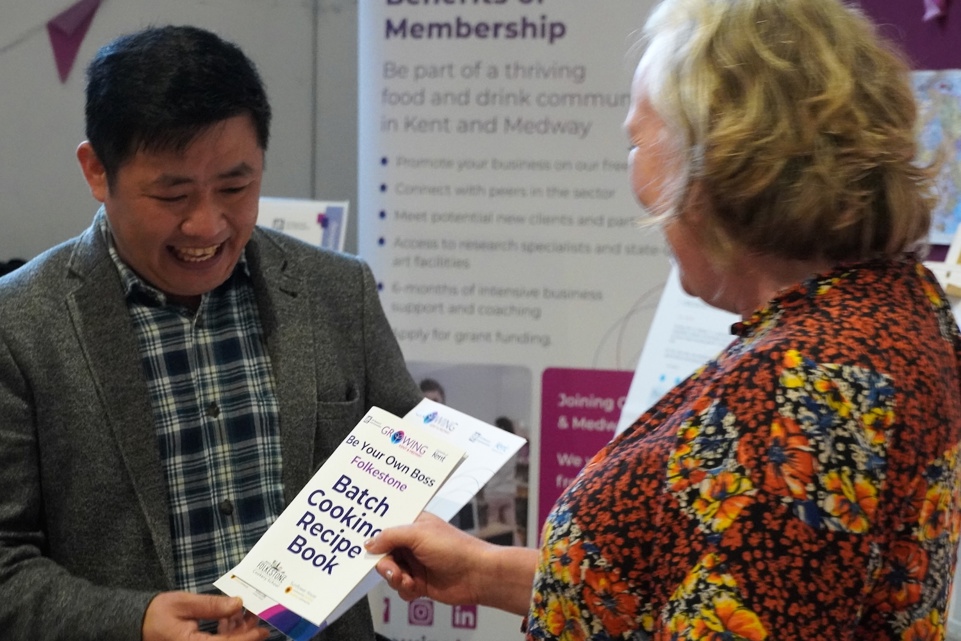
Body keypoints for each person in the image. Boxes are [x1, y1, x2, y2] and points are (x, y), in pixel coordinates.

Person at [366, 0, 961, 638]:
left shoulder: (796, 395)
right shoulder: (896, 309)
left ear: (722, 165)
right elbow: (702, 581)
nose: (640, 189)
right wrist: (484, 571)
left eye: (636, 142)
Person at [0, 25, 422, 641]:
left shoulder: (336, 291)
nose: (206, 225)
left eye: (234, 187)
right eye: (171, 193)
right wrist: (135, 622)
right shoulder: (18, 326)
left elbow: (412, 465)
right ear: (97, 171)